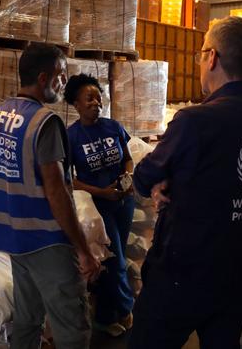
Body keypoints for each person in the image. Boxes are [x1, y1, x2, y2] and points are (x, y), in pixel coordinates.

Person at [128, 16, 242, 349]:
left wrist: (166, 180)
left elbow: (144, 175)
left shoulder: (195, 121)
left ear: (212, 57)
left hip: (184, 273)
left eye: (201, 53)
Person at [0, 43, 101, 349]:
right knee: (72, 326)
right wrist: (83, 250)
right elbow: (57, 192)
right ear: (44, 78)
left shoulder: (0, 113)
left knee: (28, 320)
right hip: (46, 241)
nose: (64, 81)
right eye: (61, 74)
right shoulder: (45, 122)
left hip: (14, 239)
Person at [64, 73, 136, 337]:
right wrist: (100, 192)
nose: (96, 102)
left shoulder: (113, 127)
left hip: (123, 202)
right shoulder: (71, 136)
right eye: (89, 98)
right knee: (114, 261)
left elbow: (127, 159)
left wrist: (127, 177)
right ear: (76, 104)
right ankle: (128, 309)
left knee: (115, 259)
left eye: (98, 97)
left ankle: (105, 316)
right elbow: (68, 179)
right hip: (98, 209)